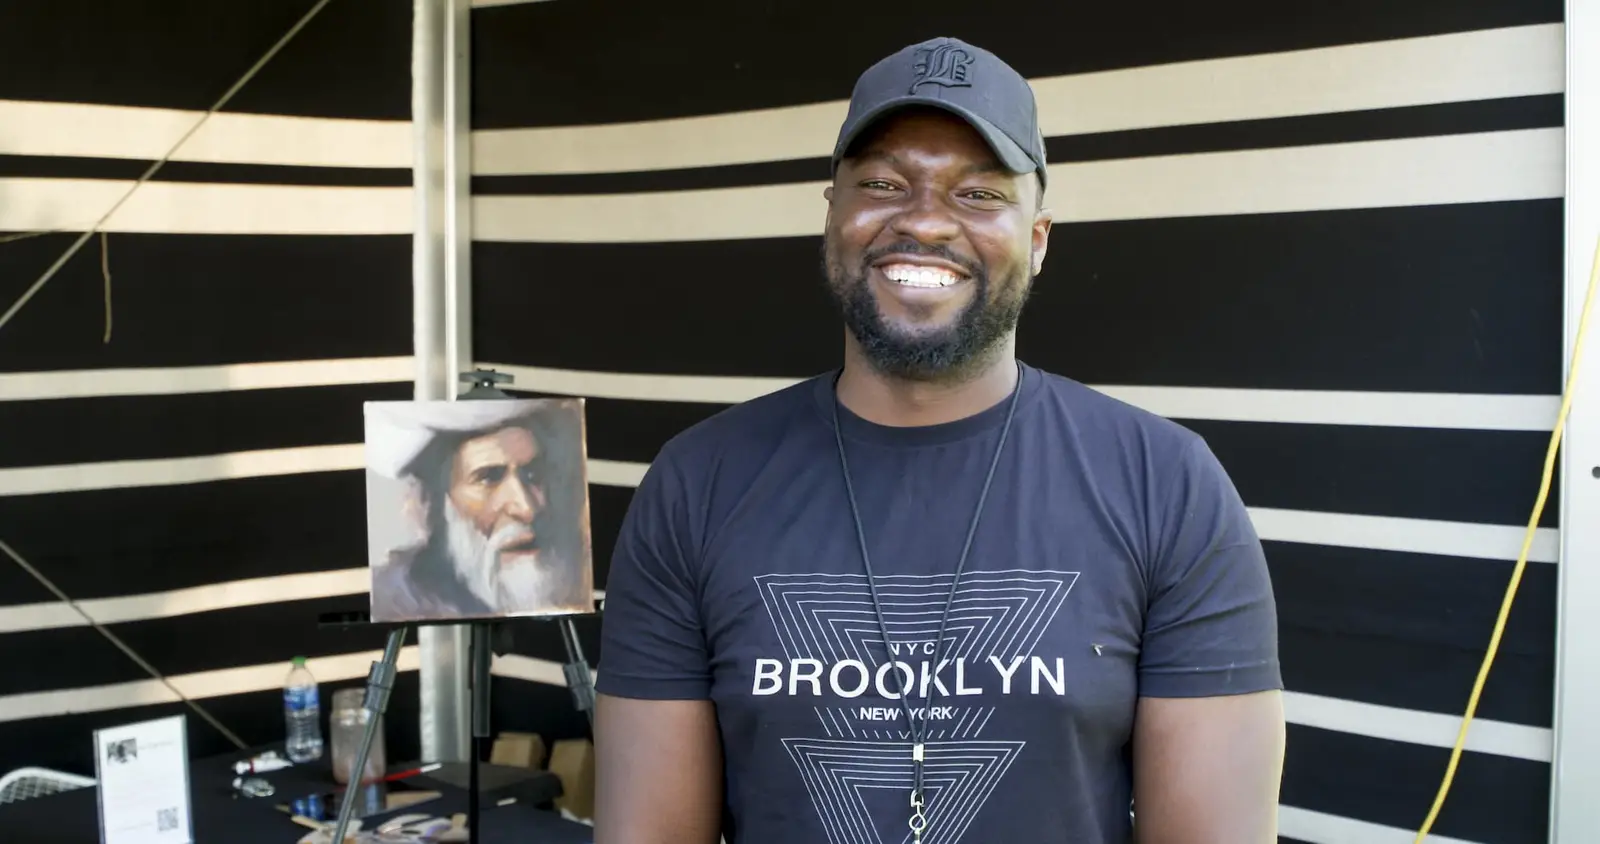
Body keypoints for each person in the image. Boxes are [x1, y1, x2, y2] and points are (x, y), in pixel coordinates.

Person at [594, 35, 1284, 844]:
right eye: (884, 183)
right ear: (832, 216)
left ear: (1038, 238)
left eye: (980, 193)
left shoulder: (1166, 483)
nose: (923, 220)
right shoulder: (696, 483)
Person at [365, 400, 593, 621]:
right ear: (427, 504)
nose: (527, 508)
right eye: (489, 478)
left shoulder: (570, 580)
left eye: (532, 475)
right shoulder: (393, 600)